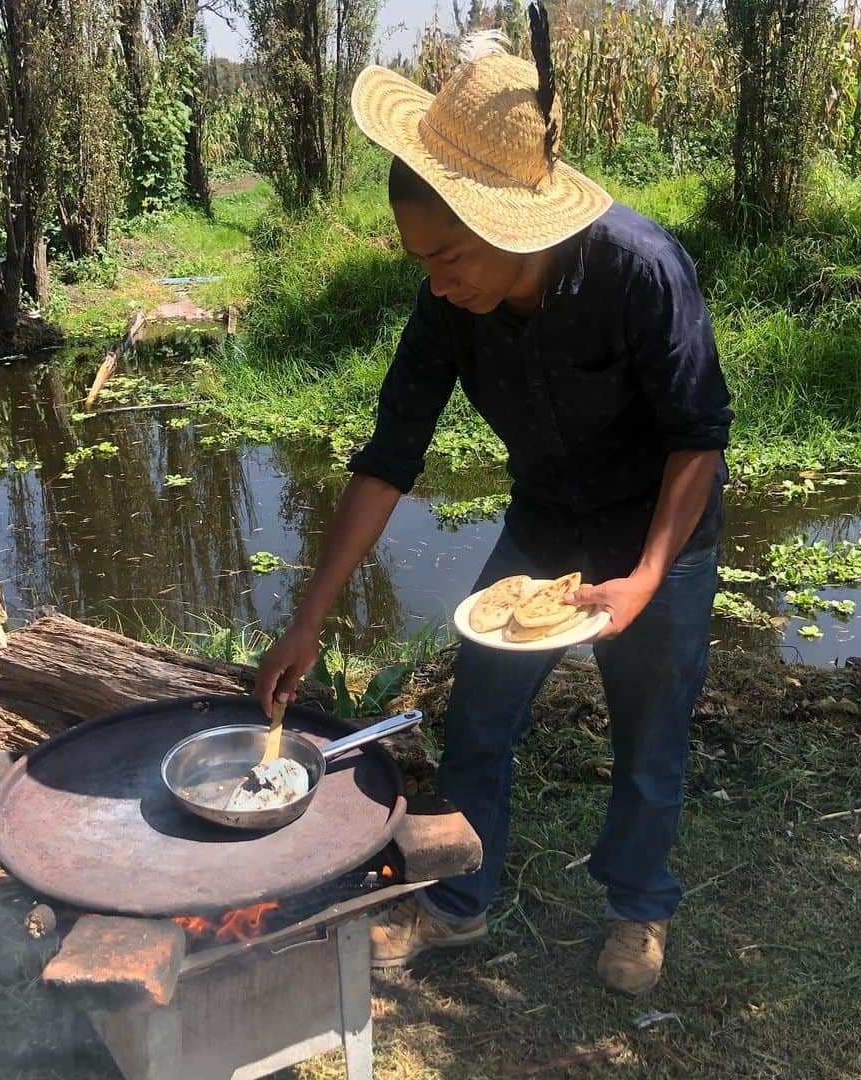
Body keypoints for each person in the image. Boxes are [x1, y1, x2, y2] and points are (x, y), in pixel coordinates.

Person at [255, 7, 732, 994]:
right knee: (480, 710)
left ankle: (638, 909)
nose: (434, 282)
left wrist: (645, 579)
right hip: (548, 519)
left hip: (658, 528)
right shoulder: (448, 304)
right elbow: (390, 457)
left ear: (510, 229)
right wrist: (309, 618)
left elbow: (699, 436)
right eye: (419, 259)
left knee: (651, 727)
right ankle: (458, 902)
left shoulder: (641, 271)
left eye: (448, 257)